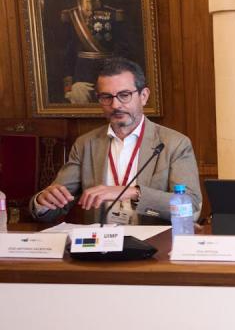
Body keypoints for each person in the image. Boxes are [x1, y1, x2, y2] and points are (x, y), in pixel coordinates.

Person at [31, 57, 201, 225]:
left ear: (143, 96)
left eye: (124, 95)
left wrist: (133, 193)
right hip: (100, 245)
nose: (115, 105)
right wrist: (43, 201)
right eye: (106, 97)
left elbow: (190, 205)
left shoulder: (175, 143)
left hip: (153, 246)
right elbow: (54, 207)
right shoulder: (85, 144)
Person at [61, 0, 129, 105]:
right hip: (81, 79)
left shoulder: (114, 15)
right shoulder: (72, 16)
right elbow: (68, 54)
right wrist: (68, 87)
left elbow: (123, 50)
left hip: (108, 77)